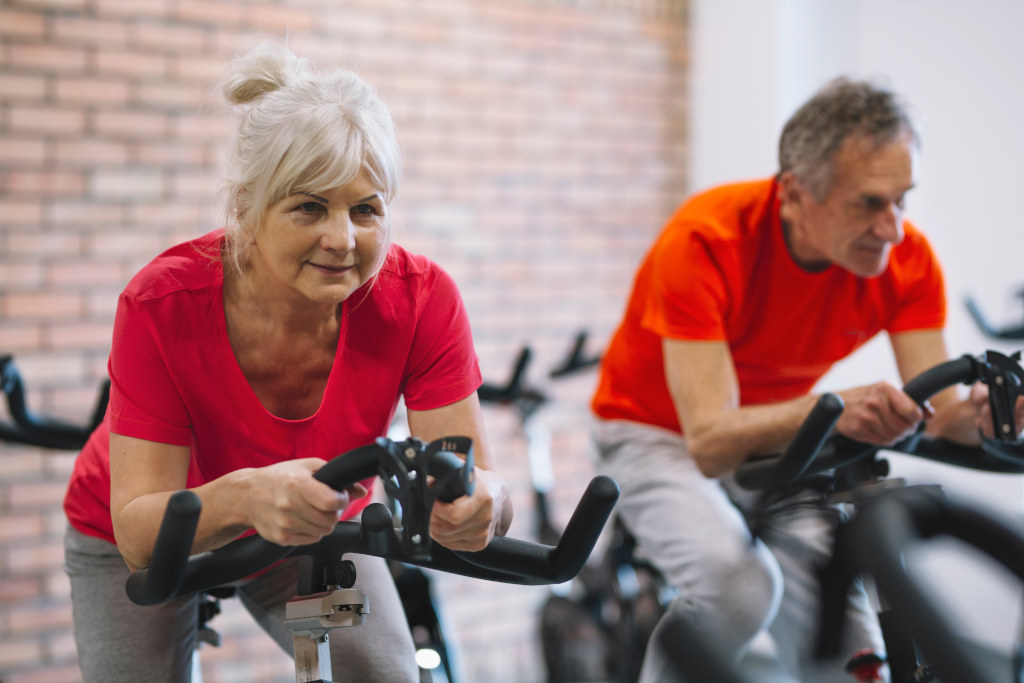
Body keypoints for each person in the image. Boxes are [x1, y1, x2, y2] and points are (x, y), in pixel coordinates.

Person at [62, 42, 512, 683]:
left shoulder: (419, 299)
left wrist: (484, 504)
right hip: (145, 534)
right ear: (246, 209)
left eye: (366, 208)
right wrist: (248, 493)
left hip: (309, 526)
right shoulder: (162, 303)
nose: (343, 239)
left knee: (385, 675)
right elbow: (138, 532)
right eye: (309, 206)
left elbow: (478, 479)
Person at [590, 77, 1010, 682]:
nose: (892, 228)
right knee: (741, 592)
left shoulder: (907, 263)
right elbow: (708, 443)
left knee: (850, 638)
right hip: (654, 431)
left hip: (778, 432)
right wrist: (837, 408)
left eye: (902, 200)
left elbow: (943, 414)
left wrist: (986, 418)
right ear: (793, 193)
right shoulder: (707, 240)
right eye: (868, 203)